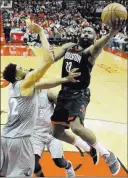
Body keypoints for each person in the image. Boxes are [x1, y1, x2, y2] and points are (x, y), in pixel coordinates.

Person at [50, 19, 125, 175]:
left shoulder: (90, 52)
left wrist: (111, 33)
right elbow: (51, 59)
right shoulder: (68, 47)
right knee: (56, 133)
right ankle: (88, 148)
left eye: (90, 32)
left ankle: (108, 155)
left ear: (94, 38)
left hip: (79, 94)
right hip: (64, 92)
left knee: (77, 127)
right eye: (84, 31)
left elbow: (98, 46)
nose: (86, 33)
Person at [0, 22, 55, 177]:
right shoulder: (25, 83)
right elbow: (48, 60)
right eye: (20, 68)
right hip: (20, 140)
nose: (24, 68)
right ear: (17, 76)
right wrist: (41, 32)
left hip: (4, 136)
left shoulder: (12, 87)